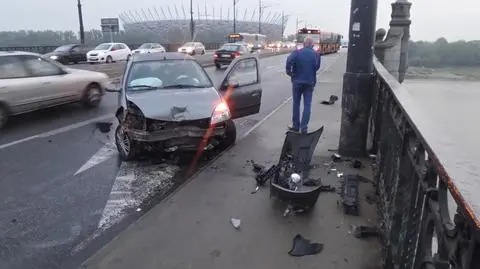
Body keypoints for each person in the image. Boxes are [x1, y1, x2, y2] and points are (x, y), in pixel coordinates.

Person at [285, 36, 321, 133]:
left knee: (296, 104)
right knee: (307, 105)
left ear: (304, 44)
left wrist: (290, 72)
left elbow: (289, 60)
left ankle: (296, 126)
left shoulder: (297, 53)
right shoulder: (316, 54)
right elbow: (317, 67)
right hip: (310, 83)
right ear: (312, 44)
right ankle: (304, 128)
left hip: (297, 82)